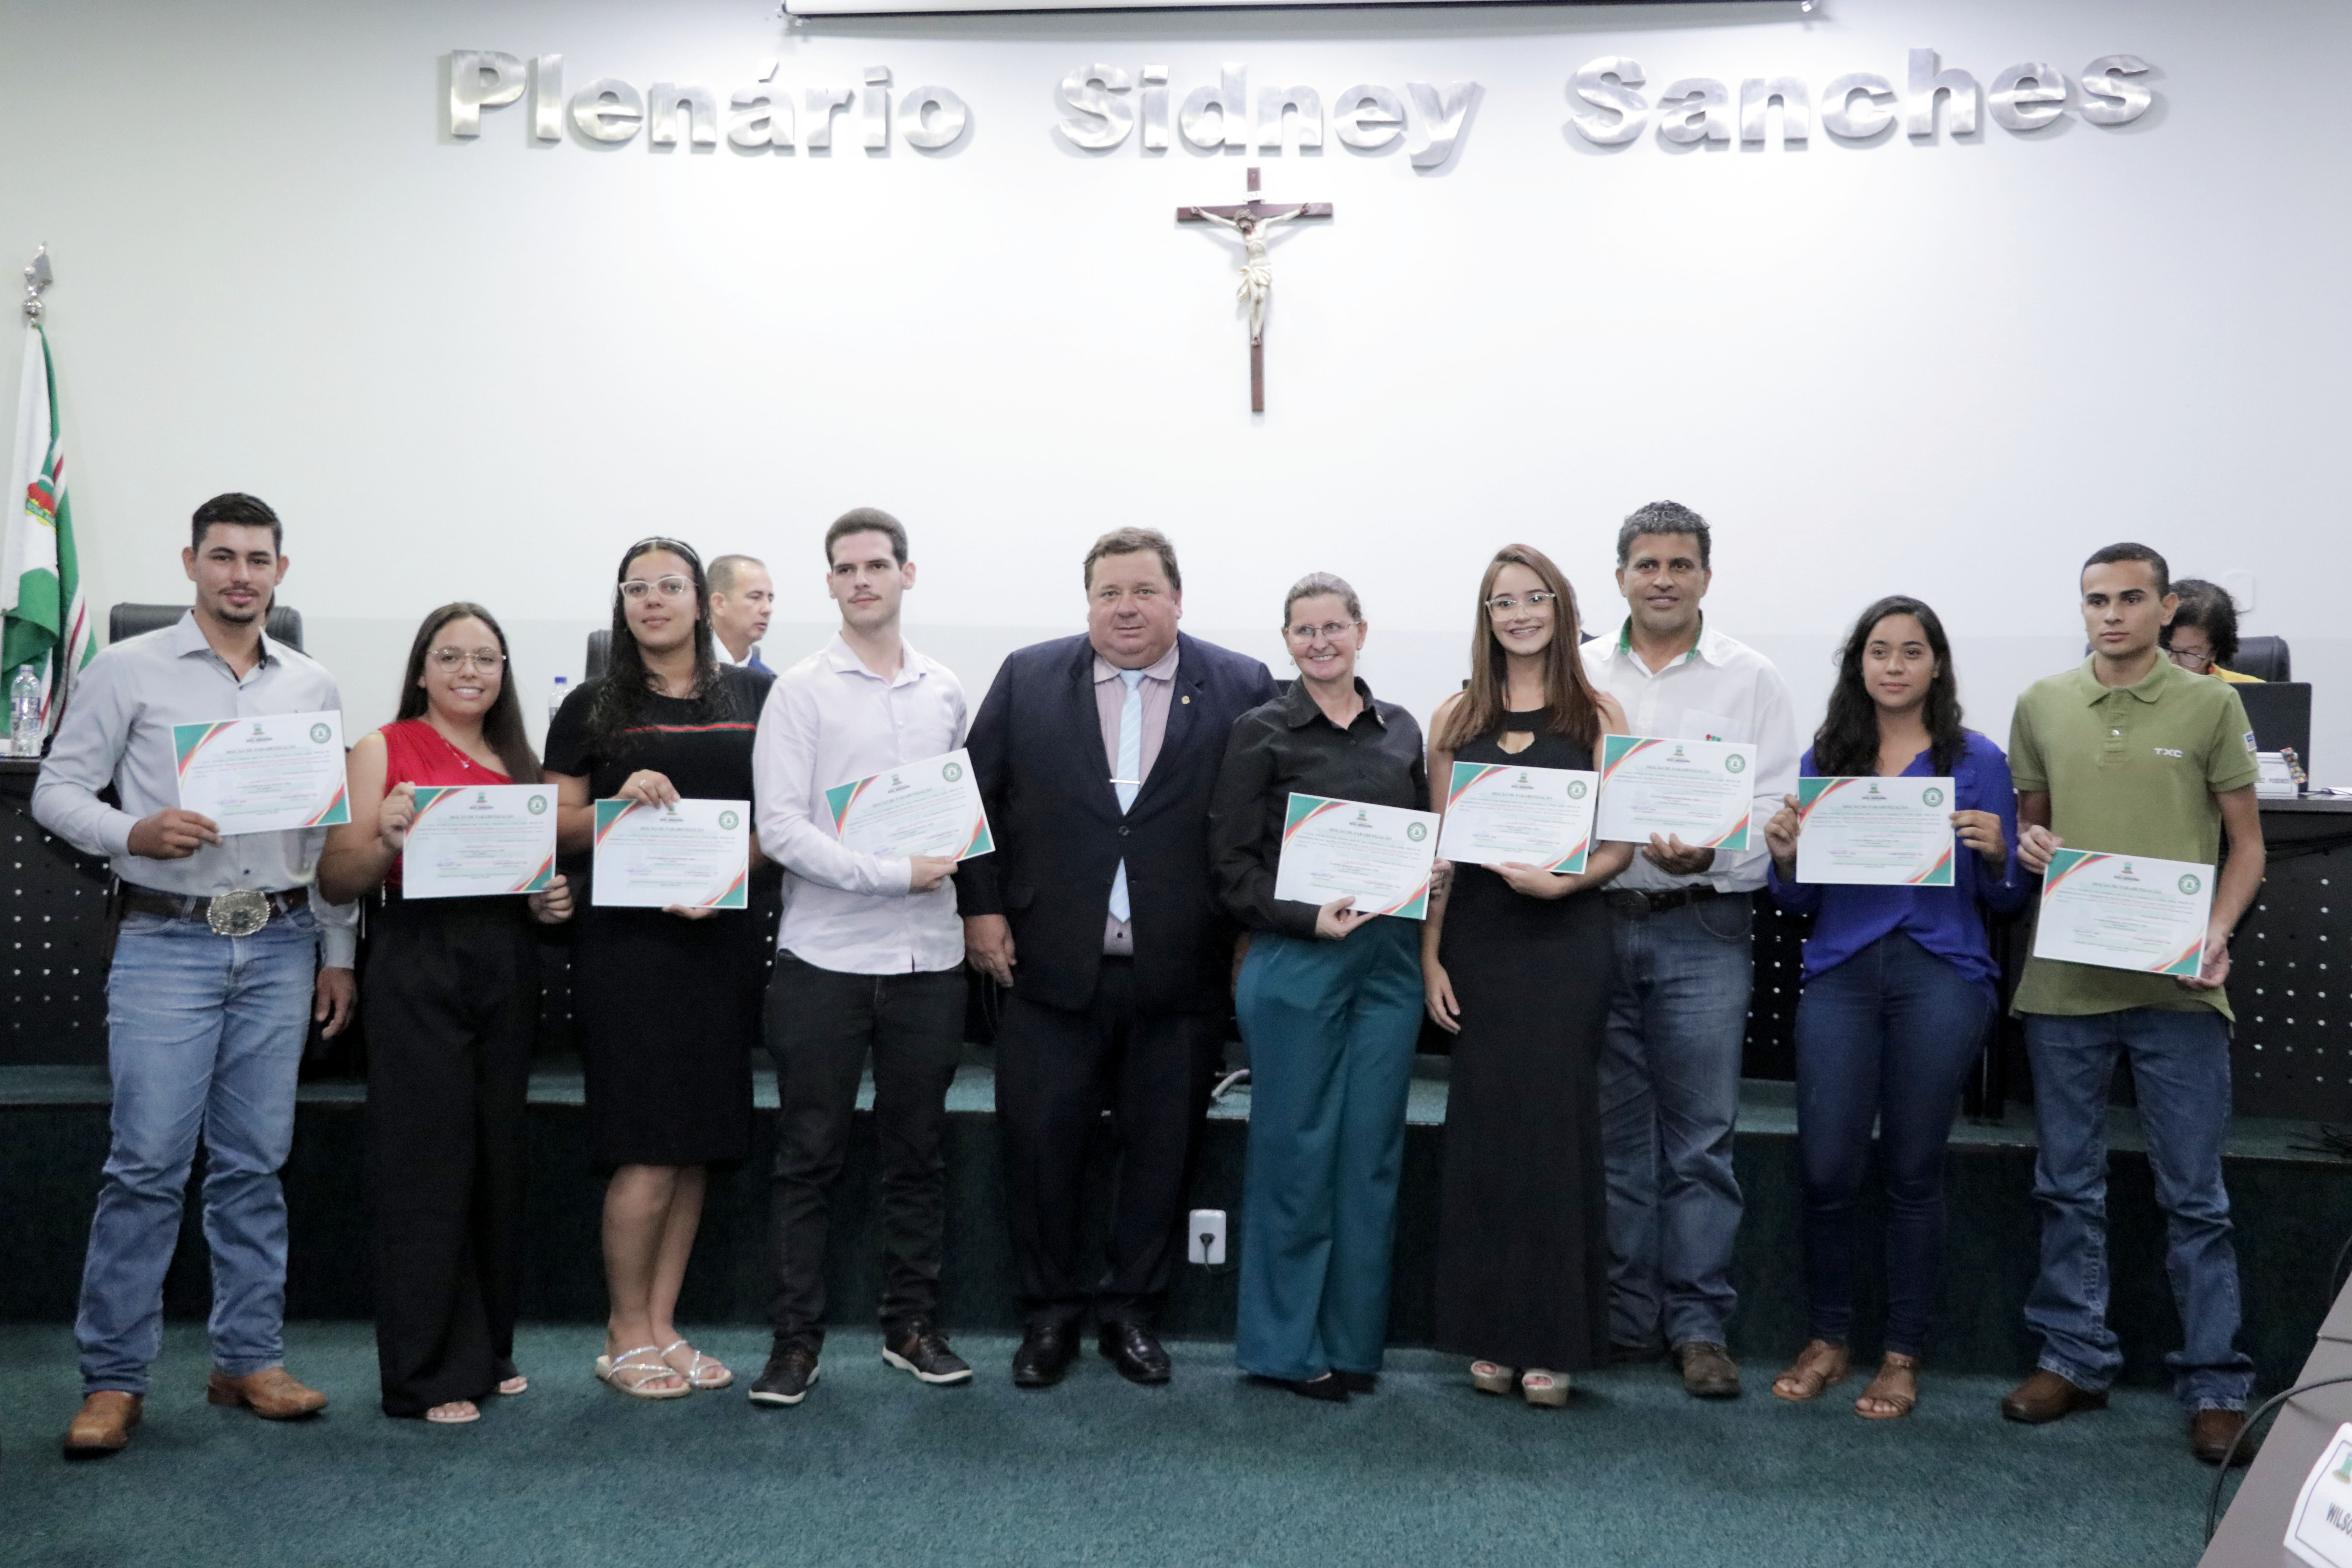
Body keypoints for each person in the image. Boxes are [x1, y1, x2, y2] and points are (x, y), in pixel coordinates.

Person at [33, 493, 357, 1457]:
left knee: (254, 1166)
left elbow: (326, 831)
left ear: (281, 573)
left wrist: (338, 951)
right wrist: (130, 831)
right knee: (144, 1169)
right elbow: (56, 790)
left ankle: (247, 1358)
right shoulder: (126, 669)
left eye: (259, 559)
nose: (241, 576)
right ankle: (114, 1381)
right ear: (192, 564)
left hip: (280, 941)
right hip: (167, 942)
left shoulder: (313, 684)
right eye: (223, 557)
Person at [960, 528, 1277, 1389]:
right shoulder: (1028, 676)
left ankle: (1134, 1310)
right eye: (1109, 591)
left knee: (1164, 1148)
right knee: (1040, 1144)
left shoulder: (1242, 684)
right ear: (1088, 601)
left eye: (1144, 589)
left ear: (1179, 598)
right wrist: (981, 909)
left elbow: (1262, 817)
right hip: (1046, 962)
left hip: (1182, 967)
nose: (1127, 606)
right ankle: (1050, 1311)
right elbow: (974, 801)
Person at [2002, 543, 2265, 1466]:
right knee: (2066, 1185)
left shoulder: (2213, 703)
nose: (2110, 614)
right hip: (2068, 988)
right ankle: (2074, 1357)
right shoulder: (2041, 703)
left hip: (2180, 991)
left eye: (2129, 599)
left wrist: (2219, 931)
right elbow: (2034, 823)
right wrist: (2033, 846)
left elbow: (2247, 844)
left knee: (2195, 1196)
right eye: (2094, 600)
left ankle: (2216, 1383)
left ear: (2165, 608)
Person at [1759, 596, 2026, 1420]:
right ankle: (1829, 1336)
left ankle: (1903, 1352)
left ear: (1937, 664)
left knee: (1913, 1170)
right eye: (1880, 651)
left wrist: (1995, 850)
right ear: (1859, 664)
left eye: (1913, 651)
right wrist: (1786, 853)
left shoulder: (1977, 759)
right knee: (1827, 1166)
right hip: (1841, 970)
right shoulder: (1827, 755)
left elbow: (2007, 895)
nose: (1896, 665)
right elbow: (1797, 899)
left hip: (1940, 972)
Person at [317, 603, 575, 1424]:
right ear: (422, 667)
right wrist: (387, 832)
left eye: (487, 658)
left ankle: (487, 1348)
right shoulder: (381, 747)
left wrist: (549, 901)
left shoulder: (517, 759)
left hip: (504, 959)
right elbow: (336, 878)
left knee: (497, 1157)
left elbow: (528, 882)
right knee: (426, 1164)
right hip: (417, 959)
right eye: (452, 655)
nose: (471, 671)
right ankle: (426, 1372)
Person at [748, 509, 974, 1406]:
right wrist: (891, 872)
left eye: (878, 565)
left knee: (917, 1153)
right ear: (831, 584)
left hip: (931, 956)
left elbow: (959, 816)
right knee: (809, 1155)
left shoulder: (946, 690)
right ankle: (794, 1343)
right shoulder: (801, 691)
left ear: (906, 575)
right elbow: (780, 828)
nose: (863, 580)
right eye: (845, 569)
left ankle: (910, 1327)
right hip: (826, 956)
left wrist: (931, 869)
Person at [544, 538, 772, 1399]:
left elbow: (777, 816)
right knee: (645, 1145)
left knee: (696, 1146)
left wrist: (728, 876)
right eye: (635, 588)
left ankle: (663, 1324)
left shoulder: (756, 695)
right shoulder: (594, 706)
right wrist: (611, 806)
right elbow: (551, 825)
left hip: (719, 941)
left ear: (702, 601)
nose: (651, 601)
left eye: (668, 585)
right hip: (627, 953)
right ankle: (621, 1330)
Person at [1582, 499, 1798, 1399]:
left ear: (1706, 575)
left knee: (1701, 1139)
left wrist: (1714, 848)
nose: (1662, 578)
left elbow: (1778, 811)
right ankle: (1629, 1316)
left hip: (1705, 924)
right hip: (1595, 919)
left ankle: (1699, 1323)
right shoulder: (1581, 669)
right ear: (1621, 574)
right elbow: (1560, 788)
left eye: (1680, 564)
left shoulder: (1753, 680)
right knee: (1616, 1139)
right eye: (1646, 564)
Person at [1209, 572, 1429, 1403]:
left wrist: (1429, 869)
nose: (1320, 641)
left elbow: (1418, 832)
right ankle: (1284, 1346)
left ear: (1361, 632)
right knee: (1295, 1152)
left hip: (1391, 962)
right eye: (1304, 630)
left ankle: (1352, 1340)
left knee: (1370, 1153)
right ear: (1288, 640)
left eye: (1334, 626)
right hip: (1298, 960)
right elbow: (1228, 867)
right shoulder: (1259, 730)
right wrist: (1306, 917)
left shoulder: (1402, 728)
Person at [1423, 546, 1633, 1408]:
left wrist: (1568, 879)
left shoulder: (1598, 711)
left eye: (1533, 597)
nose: (1518, 613)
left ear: (1560, 605)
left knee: (1555, 1136)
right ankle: (1490, 1331)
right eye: (1502, 601)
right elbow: (1439, 847)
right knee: (1484, 1135)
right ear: (1486, 616)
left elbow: (1619, 843)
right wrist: (1430, 952)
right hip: (1478, 940)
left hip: (1564, 936)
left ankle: (1554, 1340)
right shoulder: (1455, 715)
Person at [2162, 579, 2262, 684]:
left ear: (2214, 654)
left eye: (2188, 654)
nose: (2172, 664)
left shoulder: (2251, 692)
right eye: (2165, 649)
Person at [708, 554, 775, 673]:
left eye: (770, 599)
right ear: (719, 604)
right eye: (755, 597)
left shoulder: (769, 684)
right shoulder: (678, 667)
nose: (768, 609)